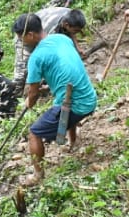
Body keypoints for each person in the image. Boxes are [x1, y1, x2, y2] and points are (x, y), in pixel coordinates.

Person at [13, 14, 97, 184]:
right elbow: (62, 67)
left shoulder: (35, 58)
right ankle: (72, 142)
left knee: (34, 133)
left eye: (21, 37)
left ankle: (37, 176)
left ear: (30, 35)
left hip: (77, 105)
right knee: (62, 101)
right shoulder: (61, 38)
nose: (20, 41)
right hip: (90, 97)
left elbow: (33, 93)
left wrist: (29, 102)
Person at [12, 7, 85, 89]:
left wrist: (77, 48)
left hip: (36, 30)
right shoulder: (50, 31)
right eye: (76, 31)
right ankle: (16, 92)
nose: (76, 33)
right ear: (66, 25)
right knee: (21, 70)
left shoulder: (72, 16)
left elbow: (71, 32)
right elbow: (48, 55)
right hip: (24, 36)